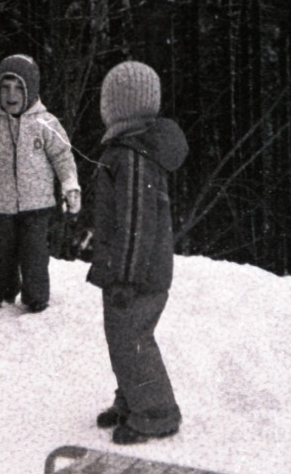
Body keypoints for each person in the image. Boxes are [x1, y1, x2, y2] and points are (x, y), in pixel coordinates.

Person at [87, 61, 187, 445]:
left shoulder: (131, 156)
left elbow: (135, 223)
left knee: (133, 339)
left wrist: (126, 276)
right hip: (128, 270)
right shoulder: (128, 151)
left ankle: (156, 412)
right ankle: (132, 399)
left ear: (119, 106)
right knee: (123, 337)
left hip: (137, 274)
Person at [0, 54, 80, 315]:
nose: (11, 94)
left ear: (31, 91)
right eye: (5, 87)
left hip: (37, 204)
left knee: (34, 254)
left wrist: (70, 185)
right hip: (0, 204)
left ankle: (36, 297)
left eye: (18, 88)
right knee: (1, 253)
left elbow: (63, 156)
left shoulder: (46, 123)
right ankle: (4, 294)